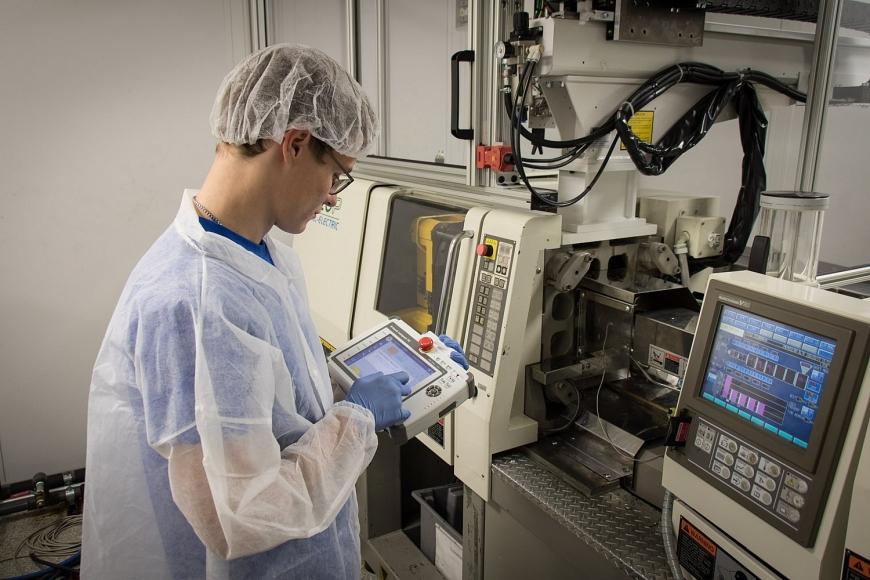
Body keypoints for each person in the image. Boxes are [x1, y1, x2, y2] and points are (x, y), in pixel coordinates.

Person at [81, 44, 467, 579]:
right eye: (338, 176)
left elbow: (275, 393)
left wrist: (388, 377)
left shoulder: (260, 254)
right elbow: (238, 515)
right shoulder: (196, 299)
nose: (334, 198)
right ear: (295, 142)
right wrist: (357, 419)